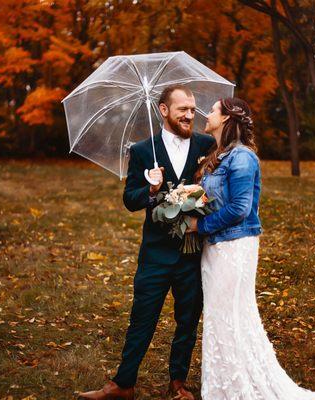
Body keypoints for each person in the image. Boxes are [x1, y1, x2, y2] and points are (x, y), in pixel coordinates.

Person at [187, 97, 315, 400]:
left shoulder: (242, 158)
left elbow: (240, 208)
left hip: (234, 246)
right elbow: (215, 199)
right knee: (219, 317)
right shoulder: (217, 155)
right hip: (216, 248)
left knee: (232, 316)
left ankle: (238, 389)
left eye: (212, 110)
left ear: (226, 119)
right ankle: (224, 384)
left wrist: (201, 226)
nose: (205, 114)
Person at [79, 85, 215, 400]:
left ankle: (178, 383)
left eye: (193, 110)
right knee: (142, 317)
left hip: (192, 252)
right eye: (183, 109)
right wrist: (151, 190)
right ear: (164, 110)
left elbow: (215, 189)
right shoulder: (142, 150)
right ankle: (123, 384)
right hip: (155, 253)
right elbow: (130, 200)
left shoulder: (206, 145)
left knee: (188, 320)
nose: (190, 115)